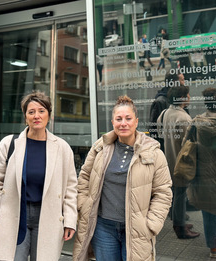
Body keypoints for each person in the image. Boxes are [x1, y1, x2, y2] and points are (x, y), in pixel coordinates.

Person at [73, 95, 172, 261]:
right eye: (118, 119)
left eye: (128, 118)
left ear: (136, 122)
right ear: (113, 122)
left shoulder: (154, 153)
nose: (123, 123)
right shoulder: (99, 148)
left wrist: (151, 225)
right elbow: (83, 178)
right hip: (104, 227)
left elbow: (163, 192)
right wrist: (84, 206)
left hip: (136, 229)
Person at [0, 91, 78, 261]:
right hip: (15, 214)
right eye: (31, 112)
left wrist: (70, 220)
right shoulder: (9, 144)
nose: (37, 116)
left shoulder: (62, 148)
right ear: (25, 117)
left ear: (49, 115)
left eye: (41, 111)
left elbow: (71, 188)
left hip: (48, 215)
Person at [181, 88, 216, 257]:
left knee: (209, 213)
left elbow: (185, 146)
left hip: (204, 177)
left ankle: (213, 248)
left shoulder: (196, 122)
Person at [157, 85, 199, 239]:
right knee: (180, 194)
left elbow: (160, 133)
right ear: (182, 98)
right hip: (180, 162)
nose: (189, 97)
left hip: (167, 159)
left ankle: (178, 221)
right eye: (188, 95)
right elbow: (189, 144)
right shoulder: (185, 118)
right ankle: (180, 227)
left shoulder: (164, 113)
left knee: (176, 193)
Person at [149, 71, 185, 151]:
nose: (184, 83)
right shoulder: (160, 101)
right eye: (182, 80)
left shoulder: (180, 99)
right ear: (174, 83)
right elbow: (153, 130)